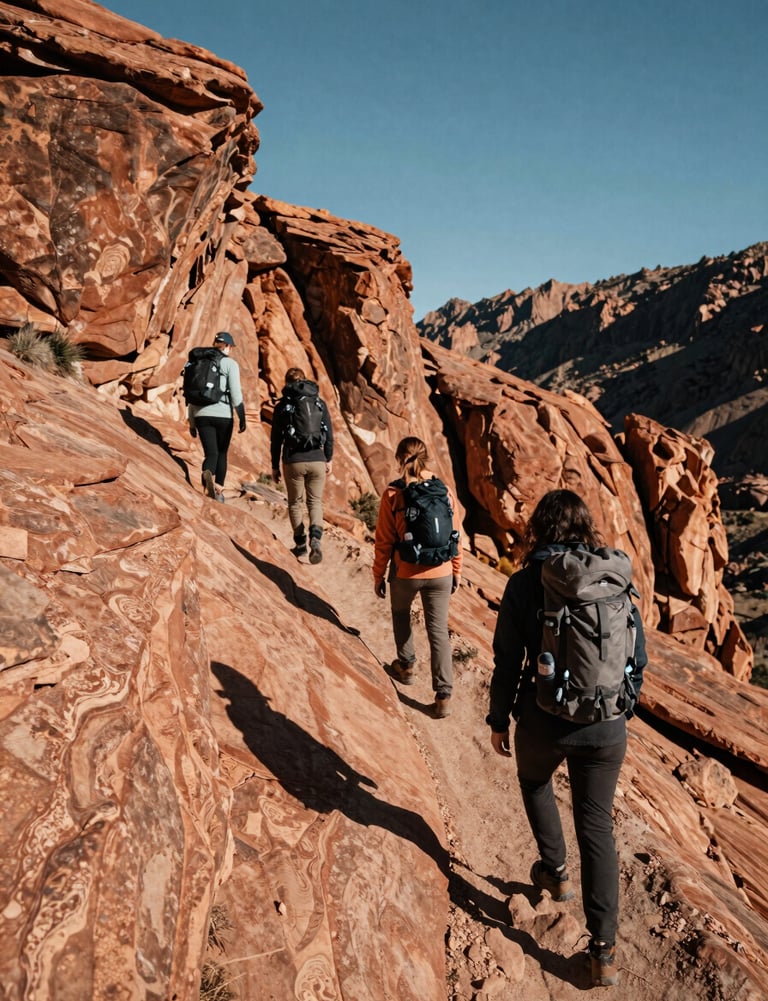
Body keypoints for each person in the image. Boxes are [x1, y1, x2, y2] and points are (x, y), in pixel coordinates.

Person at [487, 488, 646, 989]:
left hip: (544, 719)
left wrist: (497, 719)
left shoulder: (526, 583)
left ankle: (554, 873)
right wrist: (619, 709)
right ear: (585, 530)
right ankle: (603, 951)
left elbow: (507, 660)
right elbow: (636, 660)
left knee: (535, 784)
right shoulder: (614, 580)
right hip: (605, 727)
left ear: (540, 528)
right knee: (597, 828)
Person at [372, 436, 463, 719]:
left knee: (400, 613)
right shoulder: (444, 491)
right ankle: (444, 695)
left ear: (400, 458)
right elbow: (456, 535)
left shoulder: (393, 493)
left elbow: (384, 540)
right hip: (441, 572)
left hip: (407, 570)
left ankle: (407, 666)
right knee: (438, 633)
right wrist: (456, 570)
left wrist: (378, 575)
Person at [271, 368, 334, 564]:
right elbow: (329, 435)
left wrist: (274, 465)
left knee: (295, 503)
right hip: (317, 458)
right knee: (315, 502)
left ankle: (300, 546)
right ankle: (316, 537)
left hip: (293, 460)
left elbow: (276, 440)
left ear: (286, 382)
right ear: (304, 380)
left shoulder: (283, 406)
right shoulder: (318, 403)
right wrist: (328, 458)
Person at [188, 331, 246, 501]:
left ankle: (207, 473)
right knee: (221, 453)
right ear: (227, 346)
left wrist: (192, 423)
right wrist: (242, 416)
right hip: (223, 415)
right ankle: (219, 490)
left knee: (210, 453)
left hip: (201, 414)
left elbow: (192, 395)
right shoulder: (229, 364)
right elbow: (235, 392)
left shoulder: (198, 362)